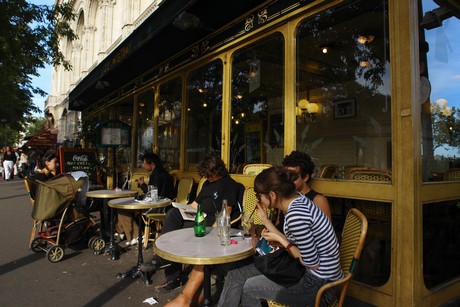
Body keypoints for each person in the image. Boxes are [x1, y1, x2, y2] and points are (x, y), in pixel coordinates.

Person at [217, 167, 343, 307]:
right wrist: (265, 220)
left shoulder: (296, 217)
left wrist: (283, 242)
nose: (259, 200)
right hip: (312, 274)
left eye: (259, 197)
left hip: (318, 286)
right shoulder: (298, 199)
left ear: (272, 195)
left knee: (249, 288)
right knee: (237, 274)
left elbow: (312, 263)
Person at [141, 153, 244, 295]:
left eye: (208, 174)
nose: (207, 178)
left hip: (212, 222)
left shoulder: (229, 184)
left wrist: (215, 229)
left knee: (177, 233)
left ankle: (171, 273)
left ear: (216, 171)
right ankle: (163, 260)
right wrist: (184, 209)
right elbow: (195, 204)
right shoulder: (208, 183)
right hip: (199, 217)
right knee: (173, 214)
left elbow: (227, 210)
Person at [115, 152, 175, 246]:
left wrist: (142, 185)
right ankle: (121, 232)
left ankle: (135, 235)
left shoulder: (157, 175)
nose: (143, 166)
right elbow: (154, 191)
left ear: (151, 164)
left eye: (144, 163)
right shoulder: (161, 172)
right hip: (162, 203)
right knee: (122, 208)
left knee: (123, 209)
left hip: (157, 206)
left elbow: (153, 194)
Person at [281, 151, 331, 219]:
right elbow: (279, 224)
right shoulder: (285, 196)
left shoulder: (318, 200)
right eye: (285, 175)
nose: (287, 179)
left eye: (292, 176)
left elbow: (326, 229)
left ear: (305, 177)